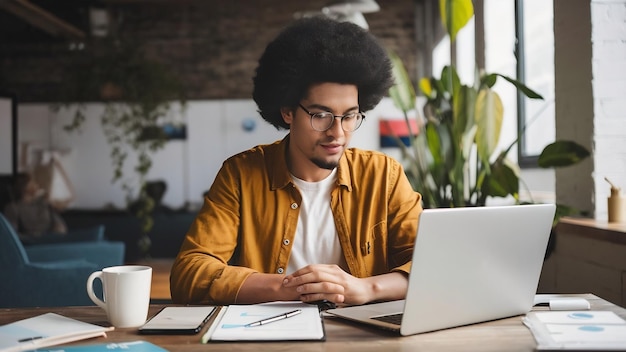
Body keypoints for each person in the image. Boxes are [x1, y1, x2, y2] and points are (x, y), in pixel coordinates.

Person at [170, 17, 423, 306]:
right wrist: (290, 287)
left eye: (350, 116)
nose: (337, 133)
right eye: (321, 115)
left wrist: (366, 289)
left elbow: (429, 264)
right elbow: (189, 273)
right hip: (267, 333)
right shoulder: (240, 175)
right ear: (288, 111)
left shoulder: (384, 176)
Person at [3, 172, 68, 242]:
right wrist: (32, 238)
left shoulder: (43, 202)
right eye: (32, 182)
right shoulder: (13, 208)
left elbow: (59, 223)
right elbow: (12, 234)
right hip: (30, 243)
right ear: (24, 186)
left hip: (51, 240)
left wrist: (58, 232)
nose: (36, 184)